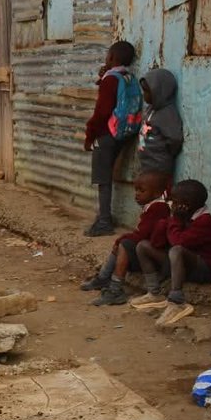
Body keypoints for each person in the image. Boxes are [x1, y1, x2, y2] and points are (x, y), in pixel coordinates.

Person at [130, 179, 211, 327]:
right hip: (183, 265)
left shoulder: (204, 221)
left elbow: (177, 242)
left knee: (176, 250)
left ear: (186, 205)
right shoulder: (183, 216)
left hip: (206, 269)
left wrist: (175, 219)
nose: (170, 204)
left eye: (173, 201)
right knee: (143, 246)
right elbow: (157, 243)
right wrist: (165, 222)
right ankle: (154, 293)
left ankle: (177, 301)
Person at [80, 170, 170, 305]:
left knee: (125, 244)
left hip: (153, 259)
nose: (137, 194)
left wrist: (121, 239)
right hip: (147, 253)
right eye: (136, 190)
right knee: (123, 243)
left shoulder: (158, 208)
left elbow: (143, 235)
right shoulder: (152, 206)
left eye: (142, 191)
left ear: (156, 193)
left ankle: (115, 290)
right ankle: (104, 278)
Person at [83, 41, 142, 237]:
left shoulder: (111, 80)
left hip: (106, 134)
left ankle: (104, 221)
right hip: (123, 133)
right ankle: (104, 217)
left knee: (103, 179)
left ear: (112, 58)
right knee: (107, 176)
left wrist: (90, 135)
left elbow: (102, 112)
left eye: (108, 56)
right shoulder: (128, 77)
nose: (105, 59)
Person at [137, 68, 184, 188]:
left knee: (157, 195)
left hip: (159, 166)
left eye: (147, 91)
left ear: (160, 92)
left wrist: (164, 153)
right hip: (147, 163)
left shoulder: (167, 114)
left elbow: (175, 139)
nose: (144, 95)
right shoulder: (151, 109)